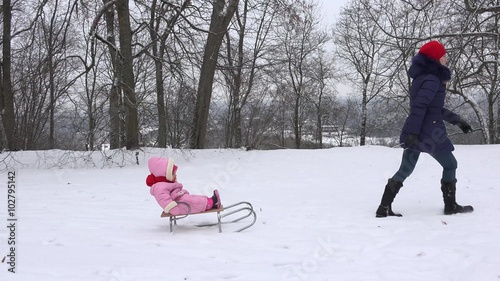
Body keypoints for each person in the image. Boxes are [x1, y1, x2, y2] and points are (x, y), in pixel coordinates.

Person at [376, 40, 474, 218]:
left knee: (405, 169)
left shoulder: (423, 77)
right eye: (444, 55)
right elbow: (420, 106)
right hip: (430, 133)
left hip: (419, 130)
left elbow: (433, 108)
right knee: (450, 164)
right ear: (436, 58)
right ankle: (450, 206)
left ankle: (383, 208)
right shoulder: (432, 79)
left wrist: (458, 121)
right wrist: (414, 133)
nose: (447, 57)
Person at [146, 157, 221, 215]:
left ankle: (210, 201)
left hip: (179, 199)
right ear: (165, 175)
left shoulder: (163, 183)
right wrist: (173, 209)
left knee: (193, 199)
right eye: (173, 174)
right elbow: (164, 200)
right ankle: (211, 204)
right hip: (178, 205)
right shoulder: (159, 187)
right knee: (193, 202)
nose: (175, 176)